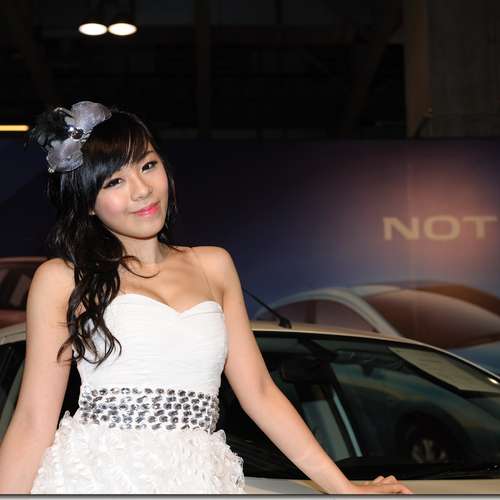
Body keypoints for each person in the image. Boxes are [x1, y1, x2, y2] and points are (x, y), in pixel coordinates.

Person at [0, 101, 413, 494]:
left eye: (147, 165)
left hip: (200, 478)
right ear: (88, 203)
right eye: (114, 182)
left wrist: (343, 487)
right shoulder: (62, 279)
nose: (142, 190)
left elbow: (260, 393)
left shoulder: (214, 266)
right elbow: (34, 420)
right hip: (98, 479)